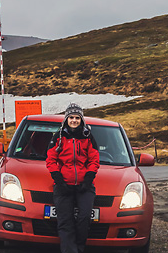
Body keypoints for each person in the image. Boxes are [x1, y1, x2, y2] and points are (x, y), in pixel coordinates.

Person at [46, 103, 100, 253]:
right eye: (71, 117)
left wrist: (88, 180)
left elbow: (94, 159)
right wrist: (59, 180)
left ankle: (79, 249)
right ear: (66, 119)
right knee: (65, 222)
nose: (74, 120)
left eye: (77, 117)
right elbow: (51, 159)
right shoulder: (59, 136)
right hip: (63, 185)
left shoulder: (88, 136)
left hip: (85, 186)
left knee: (84, 219)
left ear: (81, 120)